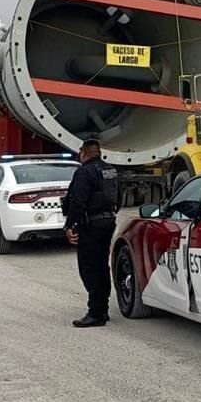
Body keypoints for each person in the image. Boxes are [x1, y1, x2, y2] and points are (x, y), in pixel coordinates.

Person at [62, 139, 119, 328]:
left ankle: (96, 313)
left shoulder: (84, 172)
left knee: (89, 268)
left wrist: (69, 226)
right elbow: (117, 197)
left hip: (91, 225)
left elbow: (78, 201)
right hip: (108, 222)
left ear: (84, 152)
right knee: (102, 266)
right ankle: (102, 308)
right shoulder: (110, 170)